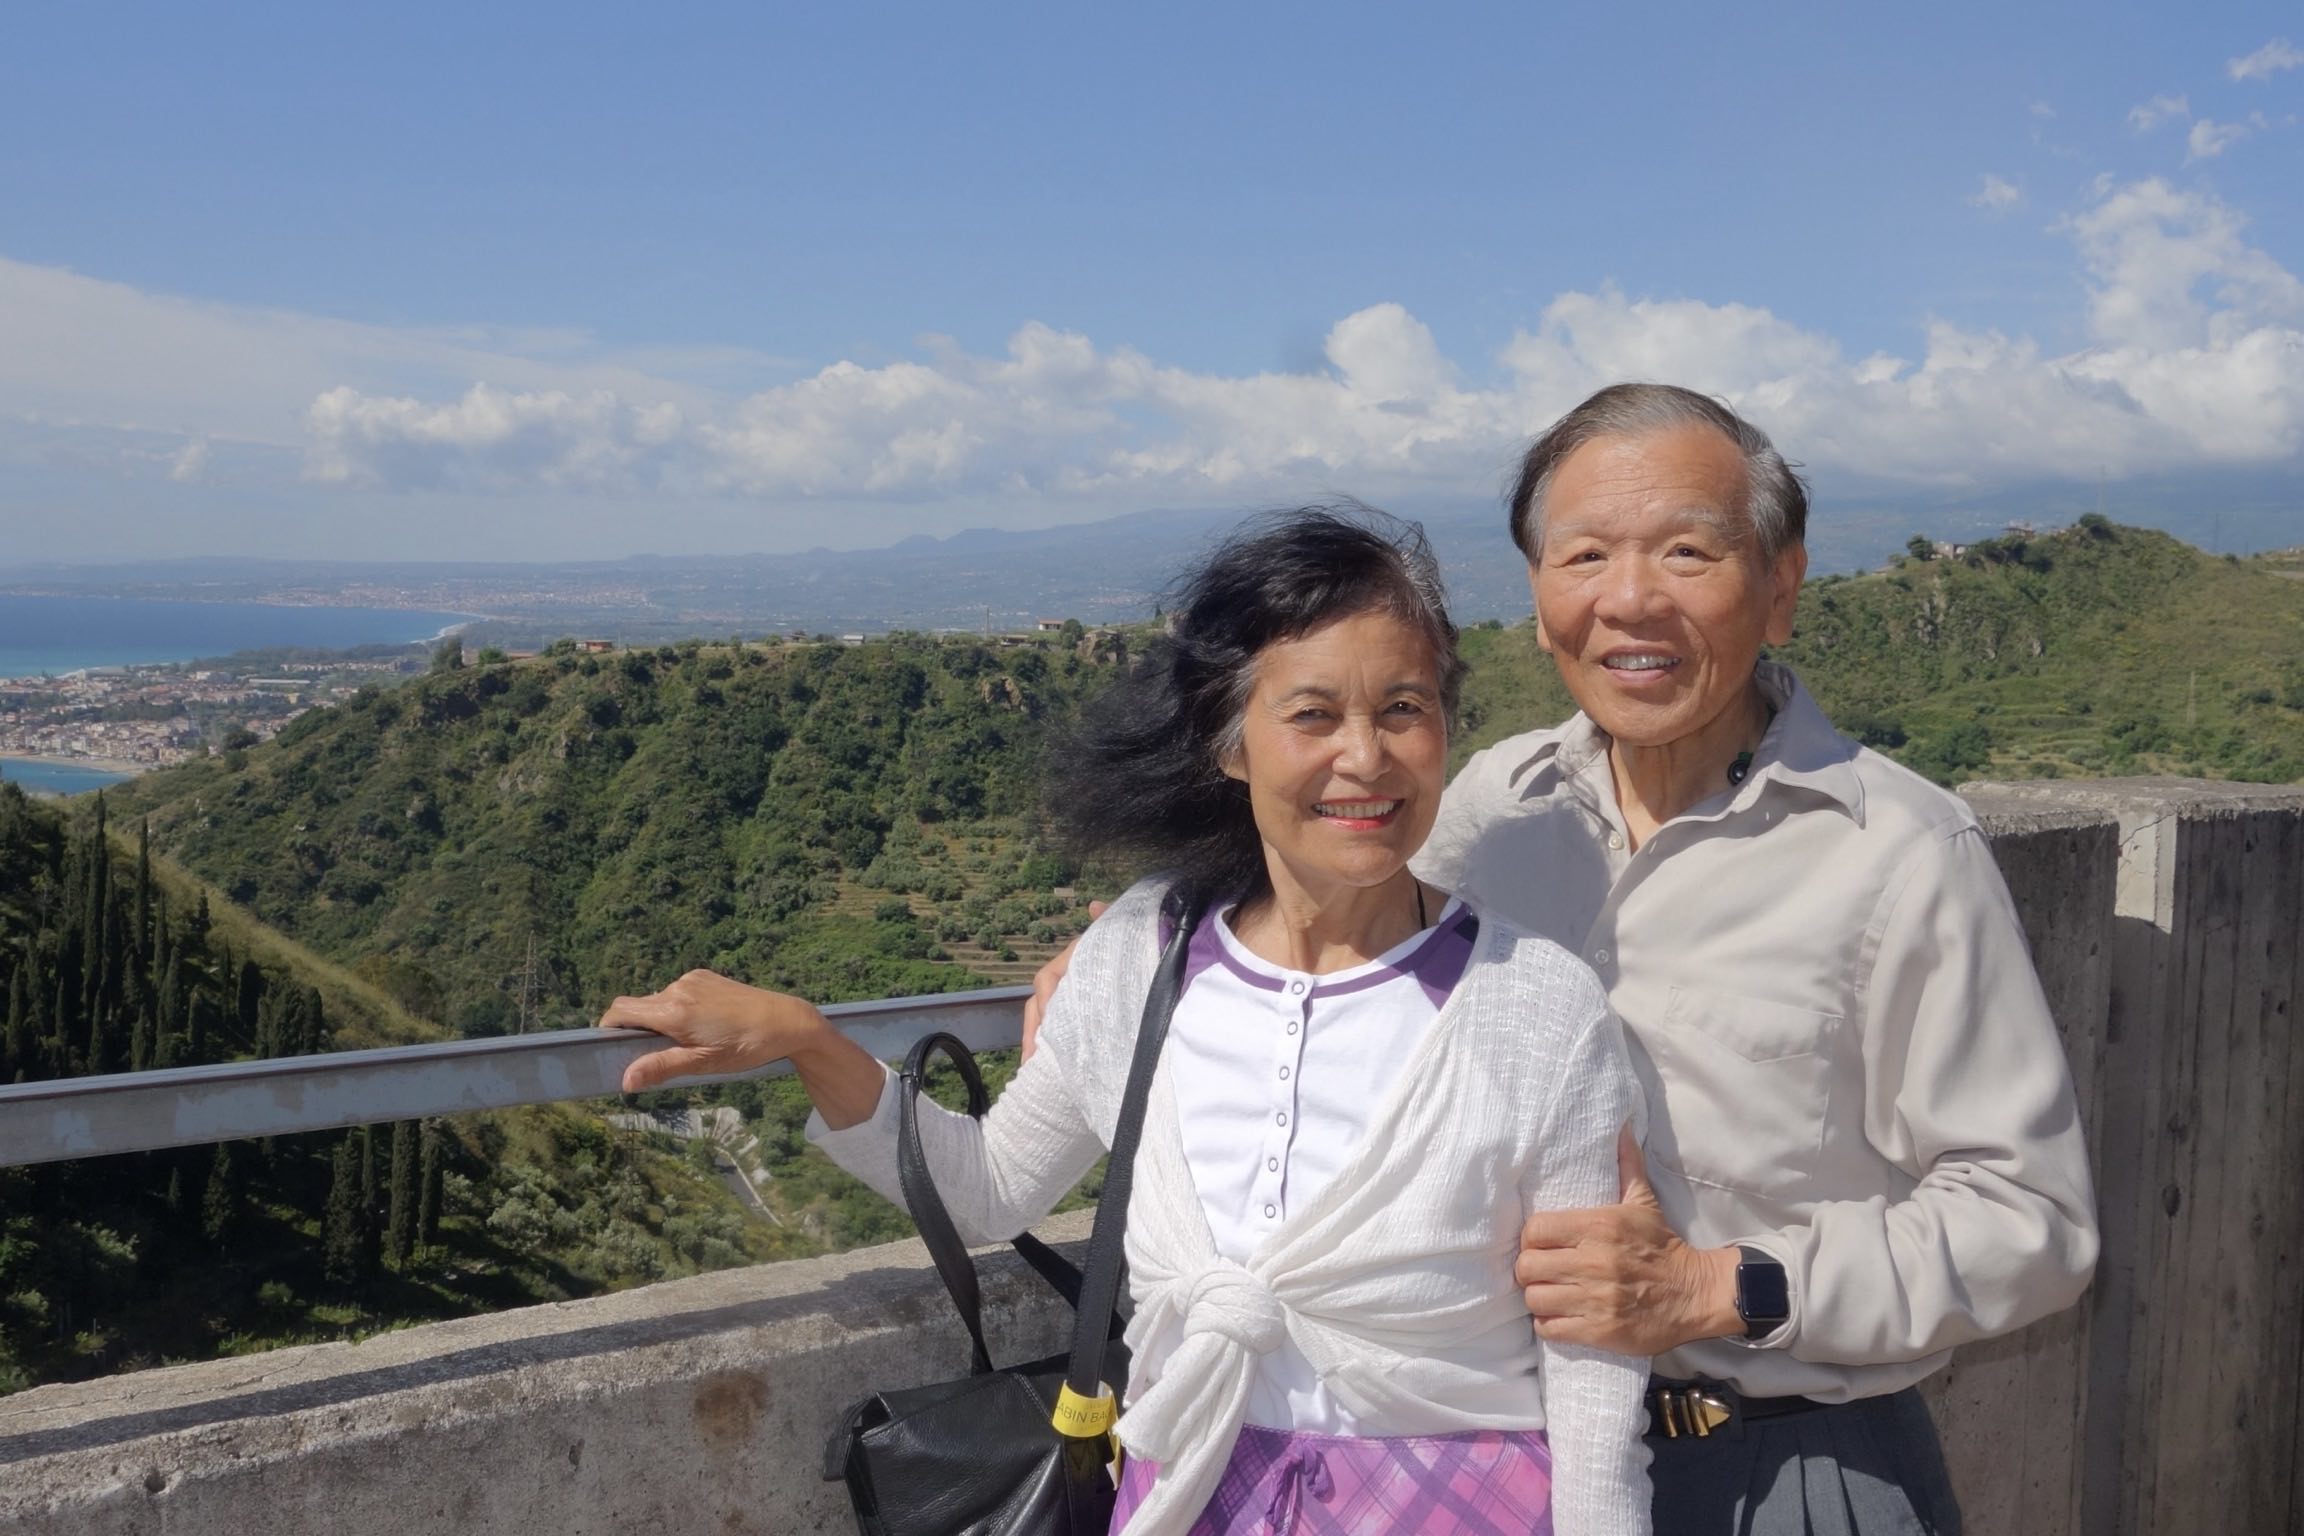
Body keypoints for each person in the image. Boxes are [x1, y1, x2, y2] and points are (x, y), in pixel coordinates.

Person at [1026, 386, 2100, 1534]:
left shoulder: (1896, 852)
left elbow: (2032, 1222)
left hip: (1783, 1463)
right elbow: (1311, 914)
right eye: (1584, 555)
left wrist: (1719, 1284)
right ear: (1539, 604)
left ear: (1779, 588)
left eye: (1688, 551)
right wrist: (1127, 964)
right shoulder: (1484, 811)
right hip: (1514, 1473)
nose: (1630, 599)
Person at [600, 508, 1655, 1536]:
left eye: (1403, 710)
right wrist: (808, 1040)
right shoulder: (1143, 958)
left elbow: (1594, 1355)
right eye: (1313, 715)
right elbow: (992, 1189)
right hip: (1186, 1488)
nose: (1366, 759)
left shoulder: (1535, 1004)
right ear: (1228, 743)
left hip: (1461, 1503)